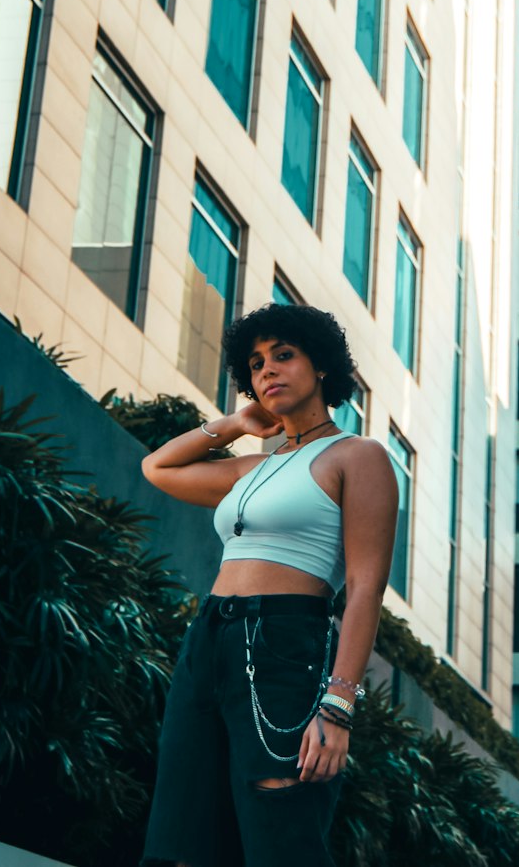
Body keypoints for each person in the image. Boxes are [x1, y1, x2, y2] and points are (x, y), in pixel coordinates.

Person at [140, 303, 398, 867]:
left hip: (285, 641)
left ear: (322, 366)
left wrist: (339, 705)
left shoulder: (358, 456)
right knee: (180, 833)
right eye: (256, 364)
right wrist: (236, 425)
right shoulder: (251, 468)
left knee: (279, 829)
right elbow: (157, 468)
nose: (268, 371)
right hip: (208, 640)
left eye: (284, 355)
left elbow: (364, 585)